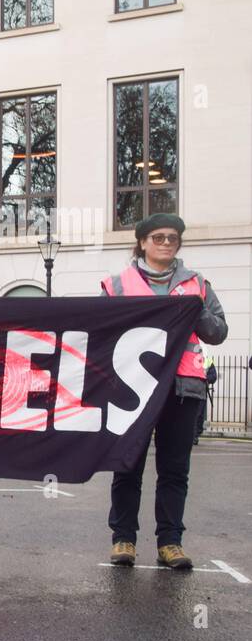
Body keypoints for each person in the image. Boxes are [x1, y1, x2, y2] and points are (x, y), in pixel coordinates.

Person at [102, 213, 227, 569]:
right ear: (142, 242)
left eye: (173, 238)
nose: (166, 243)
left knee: (175, 470)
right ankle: (123, 539)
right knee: (127, 466)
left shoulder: (197, 284)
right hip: (133, 387)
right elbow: (101, 333)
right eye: (158, 237)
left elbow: (217, 332)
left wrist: (196, 311)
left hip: (183, 387)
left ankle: (170, 542)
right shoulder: (118, 285)